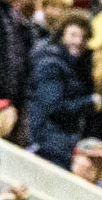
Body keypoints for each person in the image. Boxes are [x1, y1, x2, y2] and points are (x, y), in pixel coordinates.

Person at [25, 13, 96, 163]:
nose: (78, 41)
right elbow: (54, 107)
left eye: (84, 37)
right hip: (47, 141)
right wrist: (90, 102)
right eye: (73, 35)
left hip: (62, 142)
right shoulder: (50, 63)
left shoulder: (76, 66)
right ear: (62, 34)